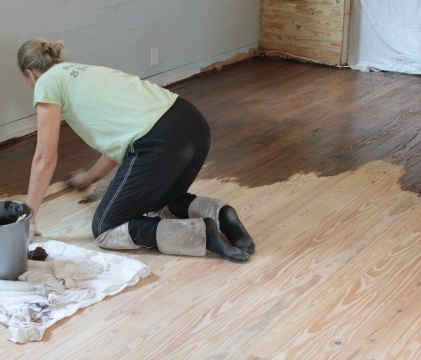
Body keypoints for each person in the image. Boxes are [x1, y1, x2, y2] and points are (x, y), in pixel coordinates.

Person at [17, 38, 255, 262]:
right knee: (154, 204)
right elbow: (118, 142)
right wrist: (89, 177)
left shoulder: (46, 82)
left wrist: (28, 220)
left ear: (30, 74)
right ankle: (221, 214)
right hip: (192, 125)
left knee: (105, 228)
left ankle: (202, 233)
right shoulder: (84, 71)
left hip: (160, 141)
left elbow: (45, 159)